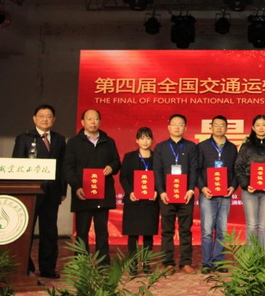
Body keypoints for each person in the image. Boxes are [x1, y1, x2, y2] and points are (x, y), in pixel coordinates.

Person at [12, 104, 67, 278]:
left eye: (49, 116)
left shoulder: (59, 139)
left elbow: (63, 167)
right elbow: (16, 165)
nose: (45, 119)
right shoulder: (24, 138)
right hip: (29, 193)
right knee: (26, 231)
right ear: (34, 118)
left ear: (54, 119)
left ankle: (48, 268)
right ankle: (25, 267)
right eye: (41, 116)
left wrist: (63, 190)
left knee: (49, 231)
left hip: (52, 193)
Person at [63, 109, 120, 264]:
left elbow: (116, 161)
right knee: (82, 231)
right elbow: (68, 168)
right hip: (83, 193)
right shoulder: (74, 142)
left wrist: (112, 167)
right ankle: (81, 263)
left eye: (96, 119)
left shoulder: (108, 141)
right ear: (83, 122)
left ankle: (103, 263)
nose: (93, 122)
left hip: (103, 193)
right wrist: (76, 186)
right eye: (89, 119)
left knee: (102, 231)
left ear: (100, 121)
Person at [154, 114, 199, 275]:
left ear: (185, 128)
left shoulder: (191, 147)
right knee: (167, 230)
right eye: (174, 124)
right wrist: (161, 191)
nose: (177, 127)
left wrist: (191, 189)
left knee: (186, 229)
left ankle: (186, 262)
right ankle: (168, 263)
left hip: (186, 195)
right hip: (167, 195)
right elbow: (157, 171)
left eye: (181, 124)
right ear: (169, 127)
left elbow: (194, 169)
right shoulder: (160, 147)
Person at [235, 114, 265, 250]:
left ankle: (261, 257)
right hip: (249, 191)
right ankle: (251, 258)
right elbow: (238, 167)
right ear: (253, 127)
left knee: (263, 226)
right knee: (251, 225)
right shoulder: (246, 146)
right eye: (258, 125)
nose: (261, 128)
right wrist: (246, 184)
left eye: (264, 125)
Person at [197, 115, 238, 274]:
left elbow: (236, 171)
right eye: (216, 125)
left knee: (222, 231)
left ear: (226, 128)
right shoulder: (202, 147)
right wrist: (202, 188)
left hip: (225, 195)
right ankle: (207, 263)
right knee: (207, 231)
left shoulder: (232, 148)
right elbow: (196, 170)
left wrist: (233, 187)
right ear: (211, 127)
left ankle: (219, 262)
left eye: (222, 125)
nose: (219, 128)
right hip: (207, 194)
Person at [119, 127, 160, 274]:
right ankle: (133, 264)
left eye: (148, 138)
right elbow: (123, 177)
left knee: (148, 234)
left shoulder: (157, 157)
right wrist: (129, 192)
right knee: (133, 234)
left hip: (150, 201)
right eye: (142, 138)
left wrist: (156, 191)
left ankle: (147, 264)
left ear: (152, 140)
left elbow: (161, 177)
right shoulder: (129, 157)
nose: (145, 141)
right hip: (134, 201)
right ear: (137, 140)